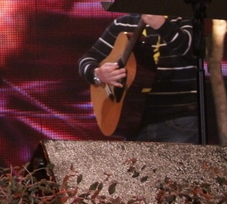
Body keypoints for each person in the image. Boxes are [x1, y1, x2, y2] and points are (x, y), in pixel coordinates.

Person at [78, 13, 199, 143]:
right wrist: (98, 75)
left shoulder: (184, 18)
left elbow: (195, 51)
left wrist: (162, 25)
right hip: (134, 121)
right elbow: (87, 59)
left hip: (180, 119)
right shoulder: (124, 23)